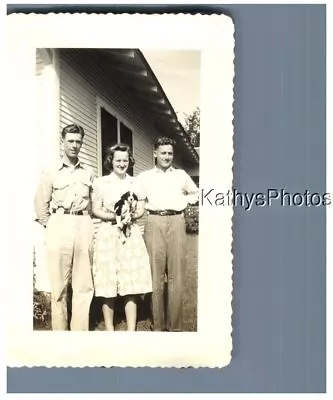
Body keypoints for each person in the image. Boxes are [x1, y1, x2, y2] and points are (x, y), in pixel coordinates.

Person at [34, 124, 95, 331]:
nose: (74, 145)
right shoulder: (51, 172)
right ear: (63, 142)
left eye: (78, 141)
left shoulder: (88, 173)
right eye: (70, 141)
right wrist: (50, 225)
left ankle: (79, 334)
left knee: (84, 284)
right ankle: (60, 335)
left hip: (83, 223)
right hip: (59, 224)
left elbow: (93, 204)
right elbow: (41, 203)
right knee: (59, 284)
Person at [137, 136, 199, 332]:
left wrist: (185, 202)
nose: (167, 157)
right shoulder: (144, 177)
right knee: (155, 275)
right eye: (163, 153)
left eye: (170, 153)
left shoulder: (181, 175)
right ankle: (158, 324)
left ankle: (175, 326)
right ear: (154, 153)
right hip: (154, 221)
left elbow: (196, 193)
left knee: (176, 275)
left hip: (176, 221)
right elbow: (136, 199)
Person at [92, 144, 152, 331]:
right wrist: (116, 217)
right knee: (107, 279)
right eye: (118, 160)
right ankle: (109, 328)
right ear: (111, 161)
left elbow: (141, 210)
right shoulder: (101, 183)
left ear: (130, 161)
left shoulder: (136, 184)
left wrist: (129, 216)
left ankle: (131, 329)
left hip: (130, 233)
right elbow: (95, 209)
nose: (121, 163)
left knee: (130, 279)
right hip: (108, 234)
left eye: (125, 160)